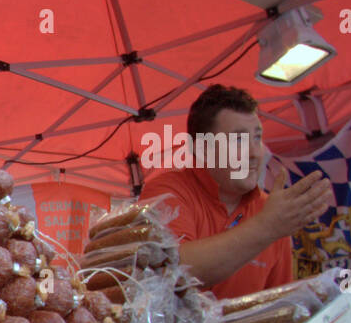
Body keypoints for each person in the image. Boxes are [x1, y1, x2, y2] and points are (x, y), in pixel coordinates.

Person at [139, 84, 334, 299]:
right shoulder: (167, 191)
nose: (255, 153)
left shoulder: (270, 209)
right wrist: (268, 226)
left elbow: (279, 304)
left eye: (257, 138)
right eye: (238, 139)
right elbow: (172, 270)